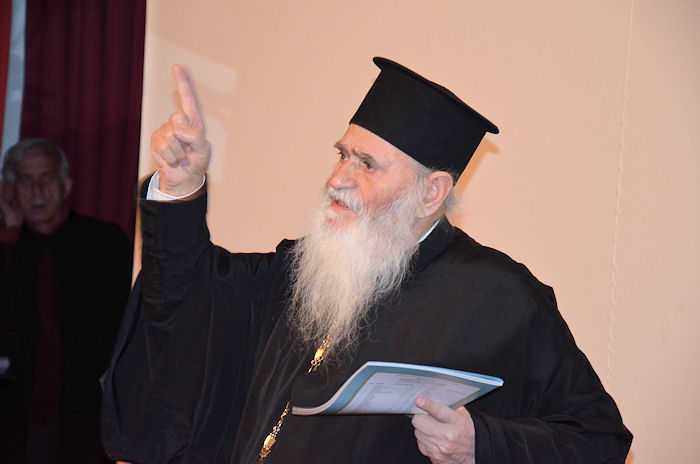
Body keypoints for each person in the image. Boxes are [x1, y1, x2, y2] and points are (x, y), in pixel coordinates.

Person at [101, 58, 632, 463]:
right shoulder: (306, 270)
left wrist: (482, 442)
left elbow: (599, 438)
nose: (338, 179)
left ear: (431, 192)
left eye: (366, 164)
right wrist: (180, 187)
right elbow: (190, 299)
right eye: (342, 154)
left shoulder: (500, 298)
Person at [0, 138, 132, 463]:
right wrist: (11, 235)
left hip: (89, 418)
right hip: (20, 419)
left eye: (45, 178)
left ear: (66, 185)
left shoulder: (104, 243)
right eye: (25, 180)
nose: (36, 191)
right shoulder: (10, 250)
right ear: (11, 192)